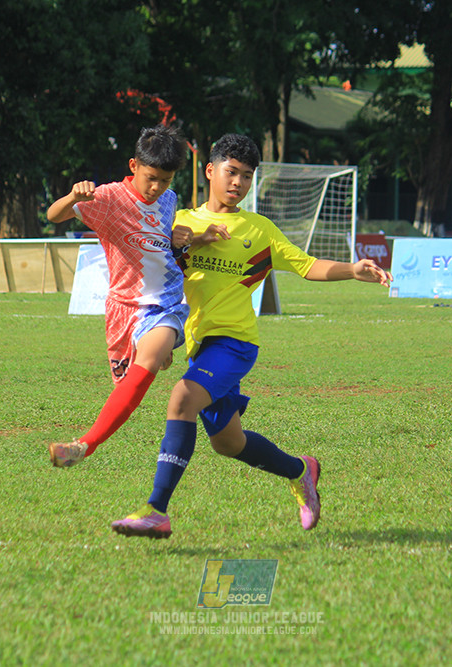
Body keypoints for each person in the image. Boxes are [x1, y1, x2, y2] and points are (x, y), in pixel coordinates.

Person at [110, 134, 392, 539]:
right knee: (228, 442)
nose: (238, 182)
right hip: (199, 346)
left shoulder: (258, 230)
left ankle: (156, 509)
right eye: (231, 172)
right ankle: (301, 470)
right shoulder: (179, 221)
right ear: (211, 171)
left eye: (246, 176)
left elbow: (308, 265)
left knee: (181, 400)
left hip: (235, 343)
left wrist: (352, 269)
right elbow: (152, 278)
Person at [45, 125, 193, 467]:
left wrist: (180, 239)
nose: (157, 188)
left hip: (166, 303)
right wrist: (72, 198)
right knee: (128, 380)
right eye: (151, 177)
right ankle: (158, 350)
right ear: (133, 166)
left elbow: (160, 244)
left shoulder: (168, 201)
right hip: (123, 309)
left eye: (166, 180)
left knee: (148, 361)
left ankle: (83, 445)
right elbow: (54, 216)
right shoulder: (109, 198)